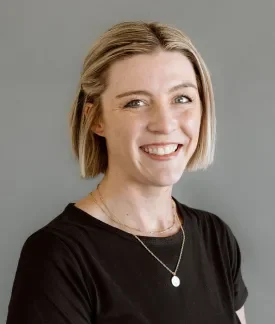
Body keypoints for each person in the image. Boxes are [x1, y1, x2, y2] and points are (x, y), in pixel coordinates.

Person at [6, 21, 248, 323]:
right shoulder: (58, 256)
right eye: (136, 102)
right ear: (96, 119)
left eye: (181, 98)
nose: (165, 123)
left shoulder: (215, 237)